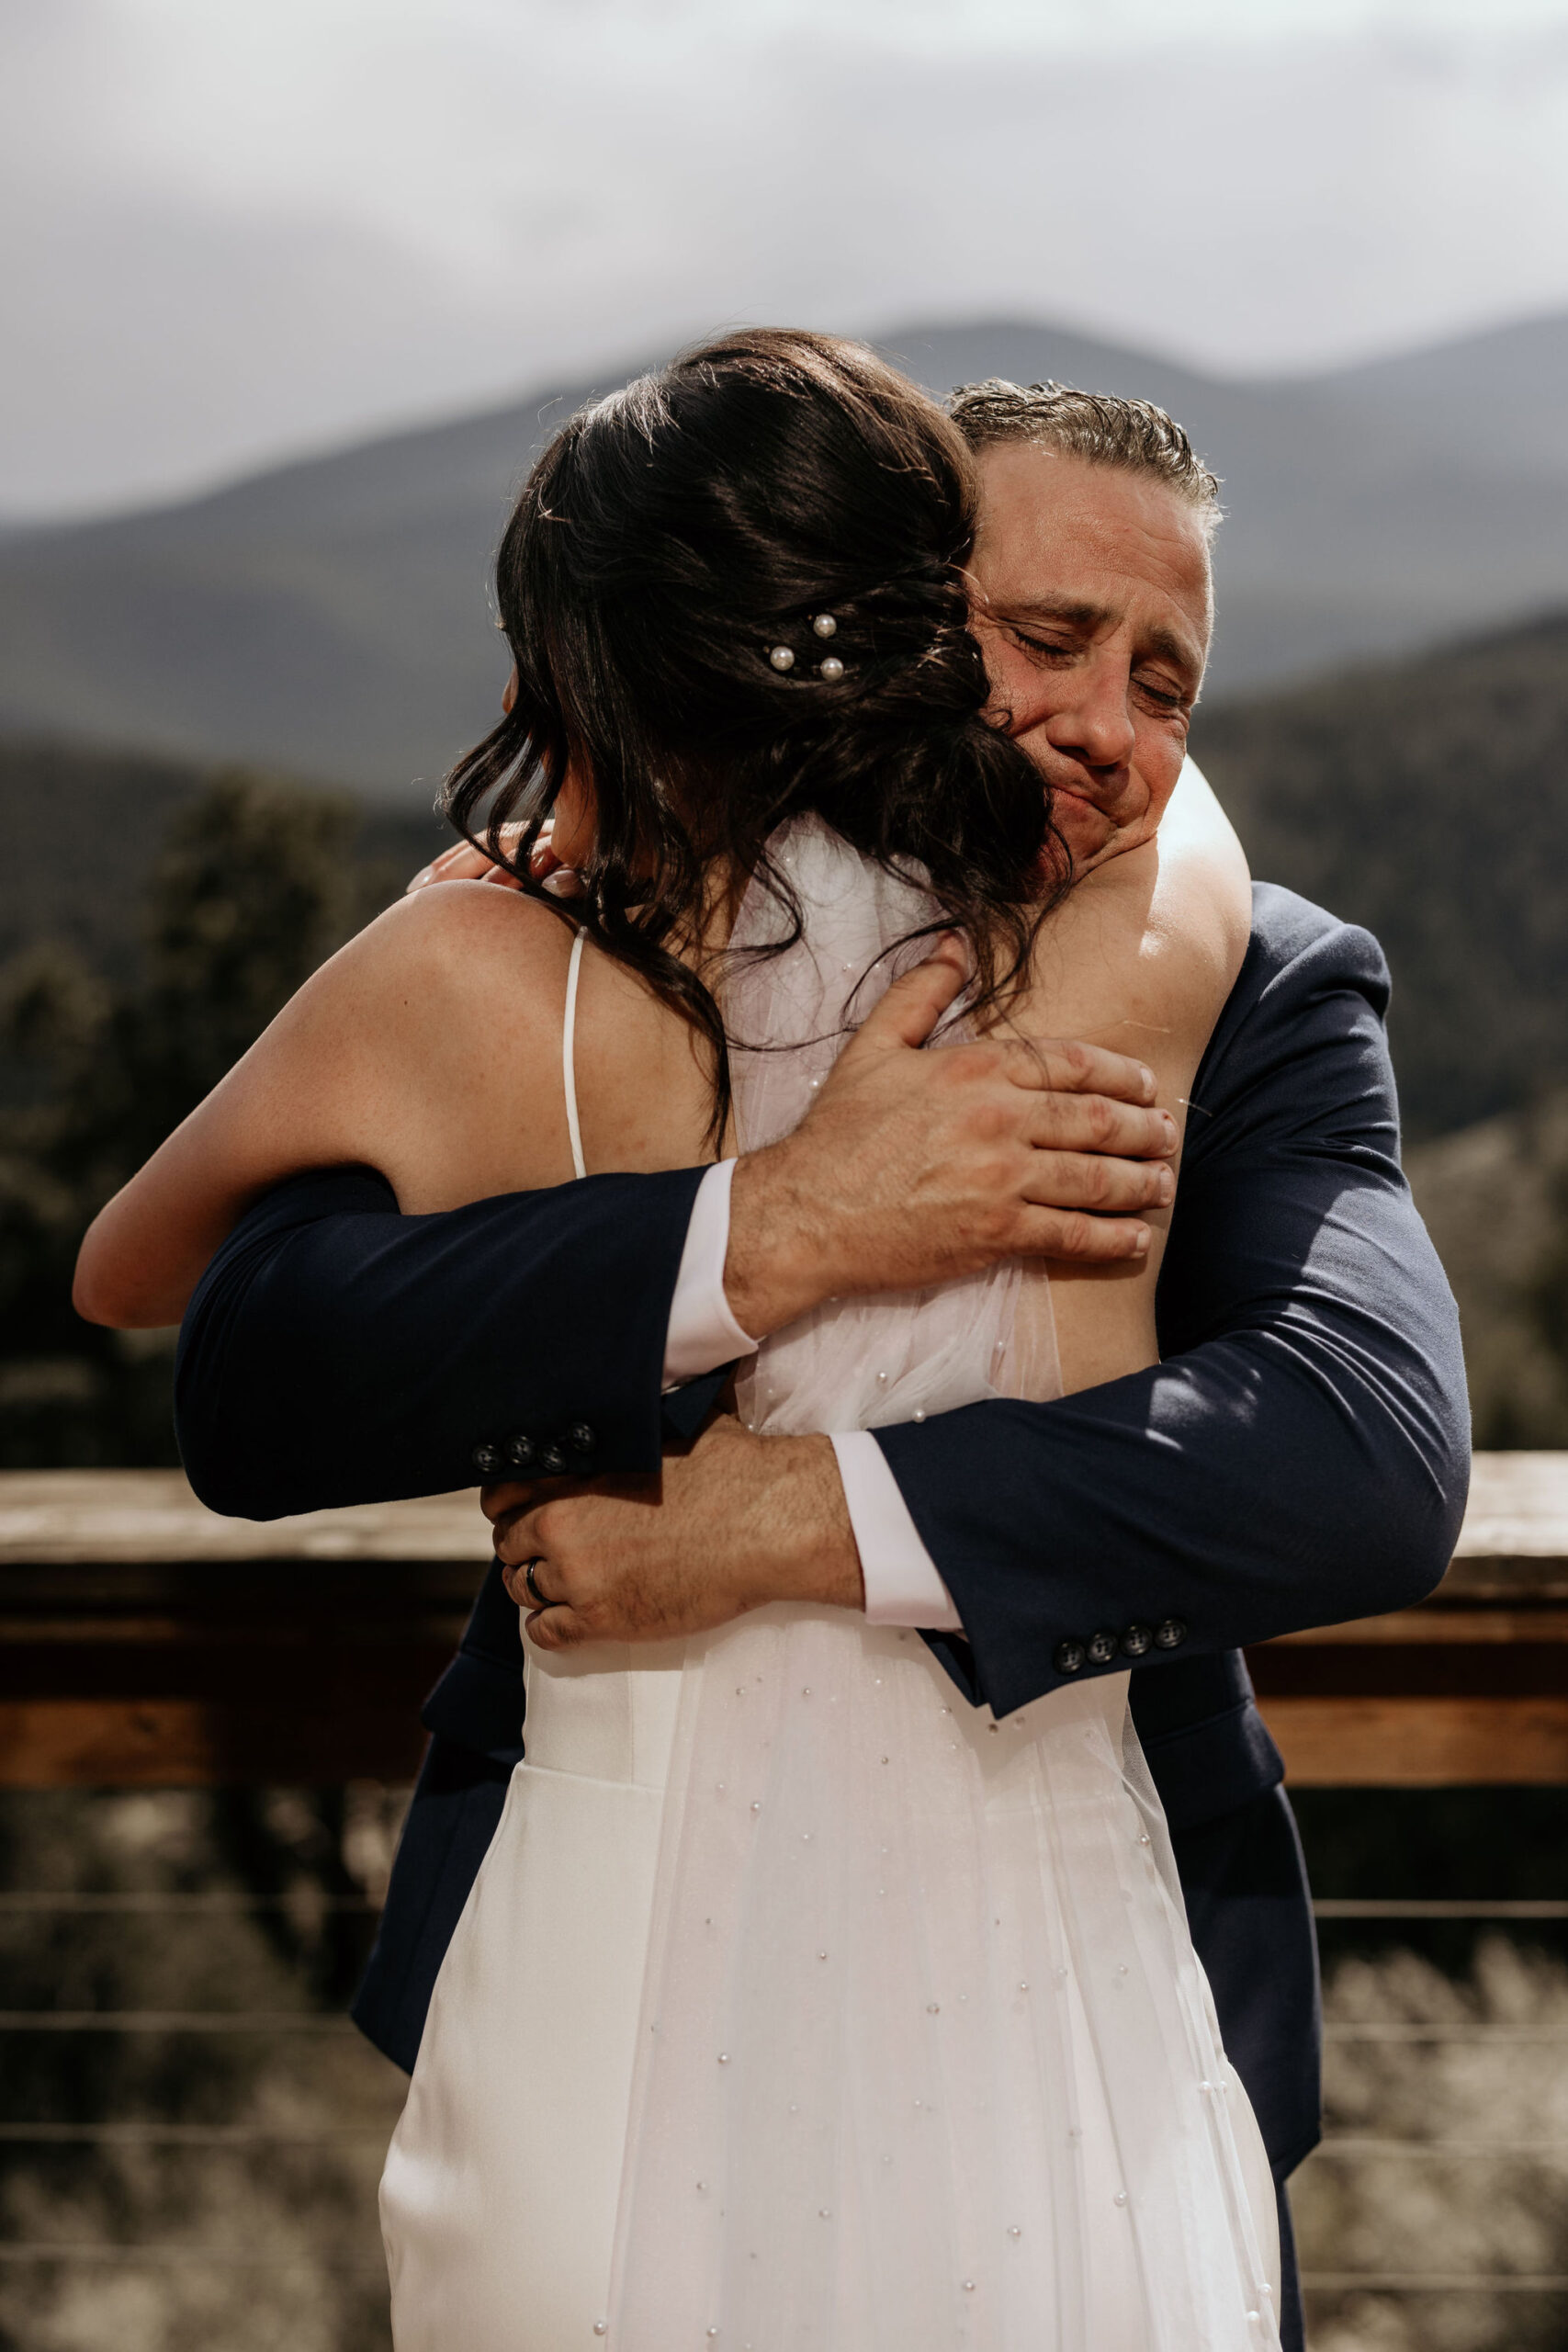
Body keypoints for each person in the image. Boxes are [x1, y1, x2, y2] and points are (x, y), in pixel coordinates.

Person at [75, 330, 1293, 2346]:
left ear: (575, 673)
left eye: (1157, 677)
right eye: (1047, 640)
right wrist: (769, 1218)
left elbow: (137, 1270)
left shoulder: (471, 978)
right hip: (1033, 1935)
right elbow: (1185, 830)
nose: (1105, 726)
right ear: (918, 621)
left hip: (616, 1935)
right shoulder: (1130, 948)